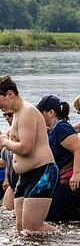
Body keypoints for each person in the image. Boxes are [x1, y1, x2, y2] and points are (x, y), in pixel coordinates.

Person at [0, 76, 59, 232]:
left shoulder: (27, 111)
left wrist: (5, 142)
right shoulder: (17, 113)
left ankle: (68, 240)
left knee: (33, 228)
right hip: (25, 175)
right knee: (21, 229)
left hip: (42, 172)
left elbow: (26, 148)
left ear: (9, 94)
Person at [38, 95, 80, 223]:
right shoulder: (52, 130)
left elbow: (79, 148)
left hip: (70, 181)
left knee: (49, 218)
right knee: (70, 222)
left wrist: (76, 174)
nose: (39, 115)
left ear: (51, 113)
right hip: (66, 181)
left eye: (41, 112)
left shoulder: (61, 127)